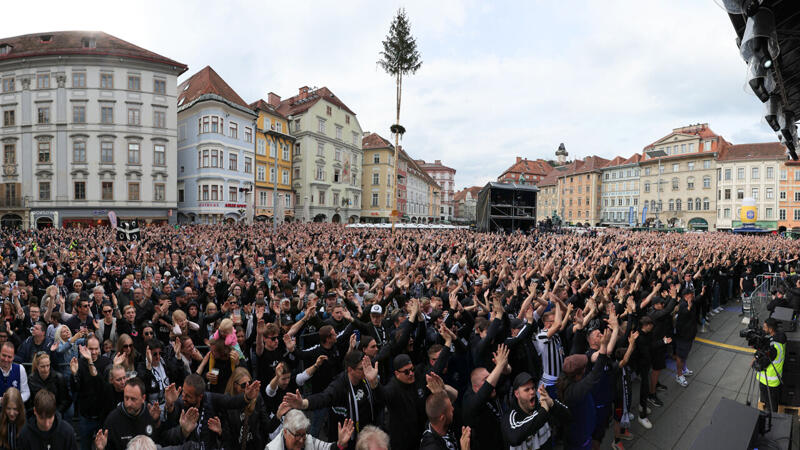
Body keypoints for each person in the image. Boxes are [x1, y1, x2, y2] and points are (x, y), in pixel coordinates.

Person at [284, 350, 381, 447]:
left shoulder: (367, 379)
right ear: (350, 369)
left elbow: (383, 399)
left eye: (366, 367)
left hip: (367, 435)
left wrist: (374, 383)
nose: (366, 371)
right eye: (361, 369)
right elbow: (323, 398)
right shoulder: (339, 386)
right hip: (347, 440)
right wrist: (303, 404)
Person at [162, 373, 261, 448]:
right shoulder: (180, 403)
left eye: (188, 396)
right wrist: (170, 405)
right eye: (183, 392)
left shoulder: (210, 399)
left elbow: (231, 402)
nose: (183, 397)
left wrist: (247, 397)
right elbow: (168, 429)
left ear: (200, 396)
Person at [502, 372, 570, 450]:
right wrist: (543, 412)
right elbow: (514, 438)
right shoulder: (510, 417)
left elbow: (568, 417)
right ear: (517, 394)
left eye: (533, 388)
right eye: (527, 390)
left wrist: (552, 403)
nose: (532, 392)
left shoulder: (542, 404)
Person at [97, 377, 163, 450]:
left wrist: (156, 422)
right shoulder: (112, 420)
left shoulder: (150, 413)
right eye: (126, 398)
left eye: (133, 399)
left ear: (143, 398)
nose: (128, 404)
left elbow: (160, 440)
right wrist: (101, 449)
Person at [223, 367, 270, 450]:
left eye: (250, 383)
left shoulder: (257, 397)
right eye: (243, 385)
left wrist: (278, 416)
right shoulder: (227, 402)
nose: (247, 389)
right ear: (234, 385)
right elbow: (227, 436)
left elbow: (267, 426)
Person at [265, 409, 354, 450]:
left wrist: (340, 443)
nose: (301, 440)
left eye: (303, 434)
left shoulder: (308, 440)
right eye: (297, 435)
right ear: (285, 432)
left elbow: (329, 448)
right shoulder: (271, 448)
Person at [27, 352, 70, 420]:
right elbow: (30, 402)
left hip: (55, 415)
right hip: (37, 415)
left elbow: (65, 400)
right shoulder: (31, 380)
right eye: (42, 366)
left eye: (48, 365)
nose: (46, 369)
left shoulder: (59, 378)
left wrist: (55, 413)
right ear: (37, 366)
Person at [756, 318, 786, 412]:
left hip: (768, 382)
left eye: (765, 327)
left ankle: (771, 422)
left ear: (771, 329)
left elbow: (761, 364)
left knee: (771, 407)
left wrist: (756, 358)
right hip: (773, 381)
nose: (763, 329)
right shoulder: (780, 337)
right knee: (772, 404)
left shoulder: (774, 347)